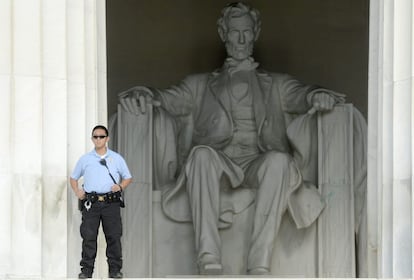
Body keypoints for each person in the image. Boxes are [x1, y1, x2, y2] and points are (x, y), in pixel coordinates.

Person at [118, 2, 346, 275]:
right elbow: (166, 99)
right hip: (218, 162)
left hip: (258, 162)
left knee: (280, 162)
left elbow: (304, 93)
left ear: (256, 32)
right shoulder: (199, 85)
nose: (241, 39)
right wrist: (144, 93)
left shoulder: (276, 84)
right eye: (235, 31)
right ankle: (208, 259)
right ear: (223, 32)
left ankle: (258, 262)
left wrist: (316, 96)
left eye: (247, 32)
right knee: (200, 155)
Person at [70, 125, 132, 279]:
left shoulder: (116, 158)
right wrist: (77, 191)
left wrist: (120, 186)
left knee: (114, 236)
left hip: (111, 202)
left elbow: (128, 177)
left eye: (101, 136)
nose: (98, 139)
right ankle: (86, 271)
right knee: (89, 237)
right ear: (92, 139)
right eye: (95, 137)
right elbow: (73, 178)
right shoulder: (85, 159)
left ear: (107, 138)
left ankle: (115, 270)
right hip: (92, 203)